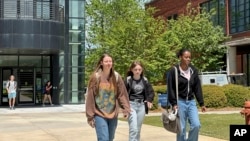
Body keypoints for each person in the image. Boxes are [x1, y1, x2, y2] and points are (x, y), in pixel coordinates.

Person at [85, 53, 131, 141]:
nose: (108, 63)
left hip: (113, 114)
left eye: (110, 61)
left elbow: (122, 94)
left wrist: (126, 108)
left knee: (110, 138)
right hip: (99, 114)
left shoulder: (116, 77)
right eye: (106, 61)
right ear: (101, 63)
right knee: (103, 139)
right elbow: (90, 98)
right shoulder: (96, 77)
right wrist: (90, 117)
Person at [167, 48, 206, 141]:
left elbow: (197, 88)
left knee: (196, 125)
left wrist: (201, 103)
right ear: (180, 57)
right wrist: (174, 104)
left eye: (189, 57)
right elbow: (170, 88)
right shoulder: (174, 71)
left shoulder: (193, 70)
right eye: (186, 57)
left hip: (191, 102)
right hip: (179, 102)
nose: (188, 59)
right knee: (182, 128)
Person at [124, 61, 155, 141]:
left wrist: (149, 100)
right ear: (131, 70)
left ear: (142, 70)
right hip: (131, 105)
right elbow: (123, 94)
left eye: (139, 69)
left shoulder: (145, 80)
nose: (137, 71)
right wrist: (125, 107)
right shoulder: (128, 80)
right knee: (133, 129)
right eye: (135, 69)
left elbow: (151, 92)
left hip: (141, 106)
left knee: (137, 129)